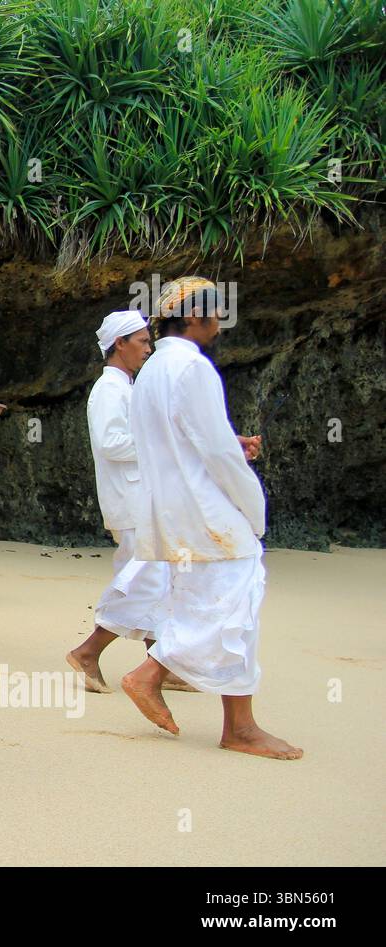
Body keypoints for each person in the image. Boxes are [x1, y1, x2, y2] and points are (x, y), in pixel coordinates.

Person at [121, 277, 302, 760]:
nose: (219, 324)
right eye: (216, 315)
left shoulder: (153, 368)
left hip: (170, 512)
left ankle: (237, 722)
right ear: (197, 317)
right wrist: (253, 506)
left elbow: (182, 439)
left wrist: (229, 444)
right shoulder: (192, 368)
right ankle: (155, 677)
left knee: (209, 606)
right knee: (233, 604)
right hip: (204, 513)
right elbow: (217, 452)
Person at [65, 310, 190, 694]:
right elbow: (110, 443)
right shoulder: (110, 389)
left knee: (157, 580)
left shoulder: (126, 387)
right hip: (132, 501)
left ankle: (162, 664)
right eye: (143, 342)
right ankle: (89, 650)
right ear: (119, 344)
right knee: (146, 579)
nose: (148, 349)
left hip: (141, 500)